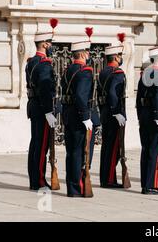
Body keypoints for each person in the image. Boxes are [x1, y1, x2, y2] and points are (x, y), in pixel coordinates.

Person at [61, 40, 96, 197]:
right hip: (78, 116)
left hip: (68, 114)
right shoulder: (84, 71)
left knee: (71, 152)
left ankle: (72, 186)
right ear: (82, 53)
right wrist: (86, 117)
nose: (89, 55)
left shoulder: (68, 70)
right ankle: (77, 187)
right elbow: (81, 96)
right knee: (79, 153)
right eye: (88, 52)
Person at [136, 45, 158, 194]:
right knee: (154, 151)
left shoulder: (144, 75)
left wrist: (140, 117)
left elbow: (139, 99)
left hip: (144, 116)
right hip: (155, 117)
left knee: (146, 149)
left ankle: (146, 183)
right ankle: (151, 185)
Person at [25, 32, 56, 190]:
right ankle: (39, 181)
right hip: (42, 108)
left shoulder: (31, 62)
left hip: (33, 106)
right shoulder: (44, 64)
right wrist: (49, 111)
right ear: (44, 44)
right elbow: (44, 89)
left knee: (35, 144)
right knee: (42, 146)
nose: (51, 47)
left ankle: (34, 180)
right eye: (50, 43)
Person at [98, 44, 126, 188]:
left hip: (105, 113)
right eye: (120, 56)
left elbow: (99, 95)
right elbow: (113, 94)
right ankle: (109, 179)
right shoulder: (117, 73)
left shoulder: (103, 72)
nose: (121, 59)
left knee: (107, 147)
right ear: (115, 57)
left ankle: (105, 178)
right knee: (114, 148)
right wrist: (117, 112)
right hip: (114, 115)